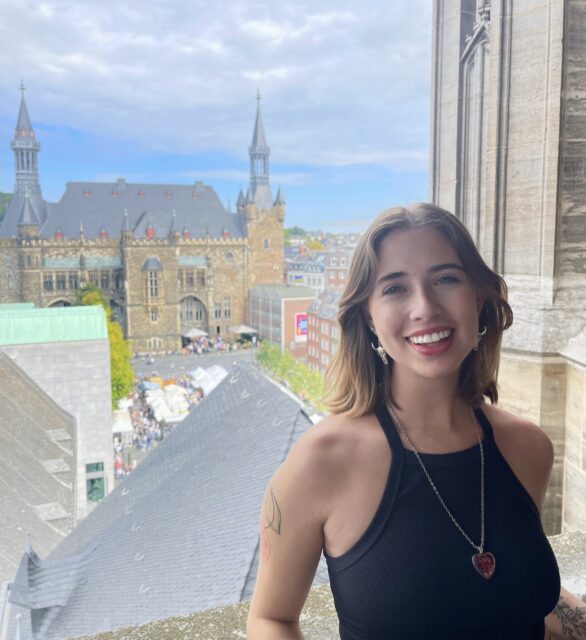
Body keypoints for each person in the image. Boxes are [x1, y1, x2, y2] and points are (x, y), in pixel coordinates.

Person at [247, 203, 586, 639]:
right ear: (368, 317)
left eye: (446, 279)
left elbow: (518, 590)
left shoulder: (527, 447)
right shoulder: (321, 462)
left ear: (478, 298)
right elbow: (270, 618)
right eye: (394, 288)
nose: (424, 307)